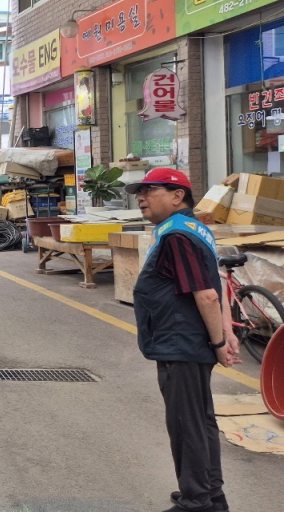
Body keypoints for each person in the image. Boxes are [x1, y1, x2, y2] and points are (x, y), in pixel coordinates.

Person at [127, 167, 239, 512]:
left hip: (181, 342)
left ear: (178, 196)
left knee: (186, 425)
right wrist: (226, 333)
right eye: (140, 192)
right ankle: (210, 496)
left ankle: (196, 502)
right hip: (188, 341)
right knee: (201, 422)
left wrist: (220, 343)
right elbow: (216, 281)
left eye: (150, 190)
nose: (141, 197)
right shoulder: (193, 228)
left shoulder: (177, 235)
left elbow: (206, 295)